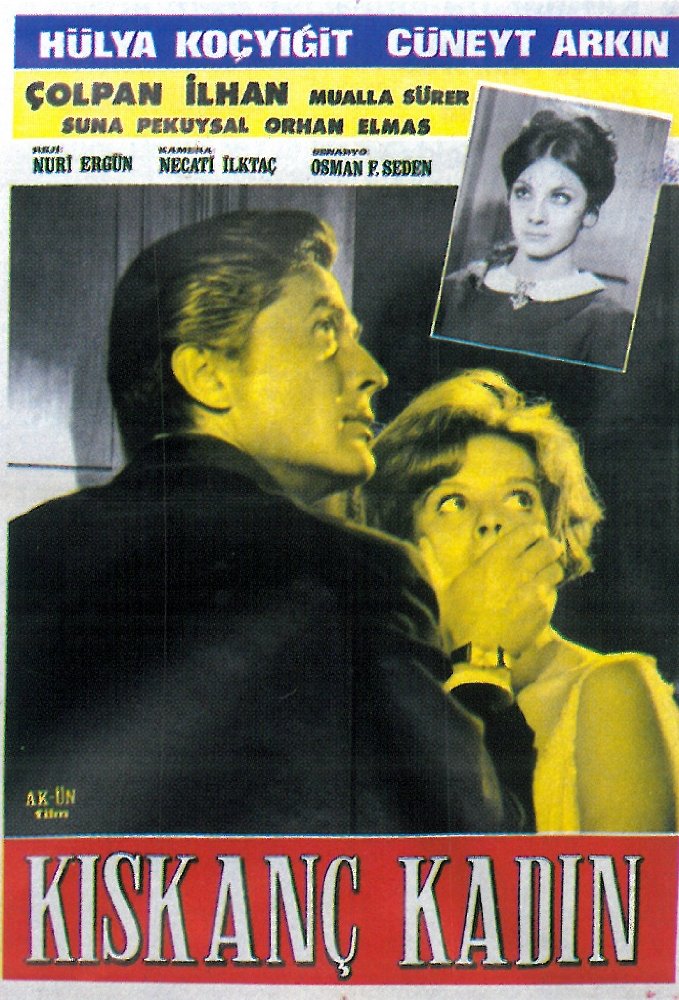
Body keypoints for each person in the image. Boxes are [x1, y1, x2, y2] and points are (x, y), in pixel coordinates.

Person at [4, 211, 556, 837]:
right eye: (325, 332)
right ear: (208, 376)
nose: (371, 372)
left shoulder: (20, 552)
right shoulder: (359, 574)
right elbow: (472, 859)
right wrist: (482, 660)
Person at [362, 369, 679, 832]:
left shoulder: (613, 689)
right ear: (405, 540)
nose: (491, 521)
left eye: (518, 498)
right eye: (452, 502)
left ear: (554, 533)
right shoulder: (391, 696)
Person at [434, 110, 633, 369]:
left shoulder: (610, 324)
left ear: (590, 213)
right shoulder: (454, 292)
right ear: (509, 197)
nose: (536, 216)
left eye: (560, 197)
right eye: (524, 193)